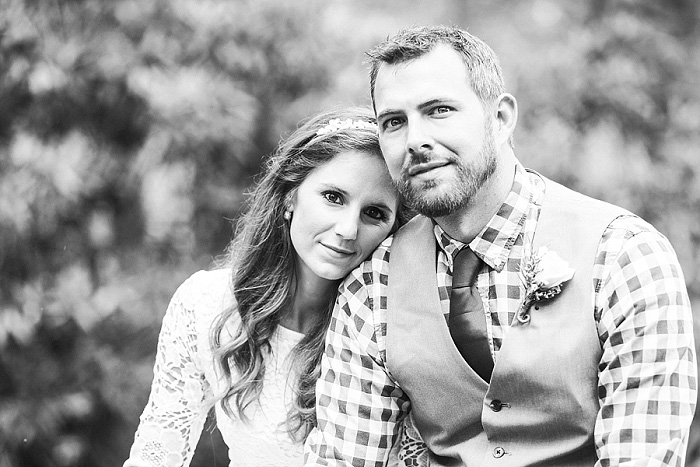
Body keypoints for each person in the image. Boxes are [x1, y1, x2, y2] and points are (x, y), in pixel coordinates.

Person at [305, 26, 697, 466]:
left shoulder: (625, 256)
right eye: (394, 122)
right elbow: (344, 458)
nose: (414, 140)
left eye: (439, 110)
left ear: (502, 117)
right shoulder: (373, 284)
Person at [123, 108, 419, 466]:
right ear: (290, 195)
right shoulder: (205, 304)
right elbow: (156, 456)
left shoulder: (389, 330)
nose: (348, 229)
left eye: (374, 213)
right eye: (334, 197)